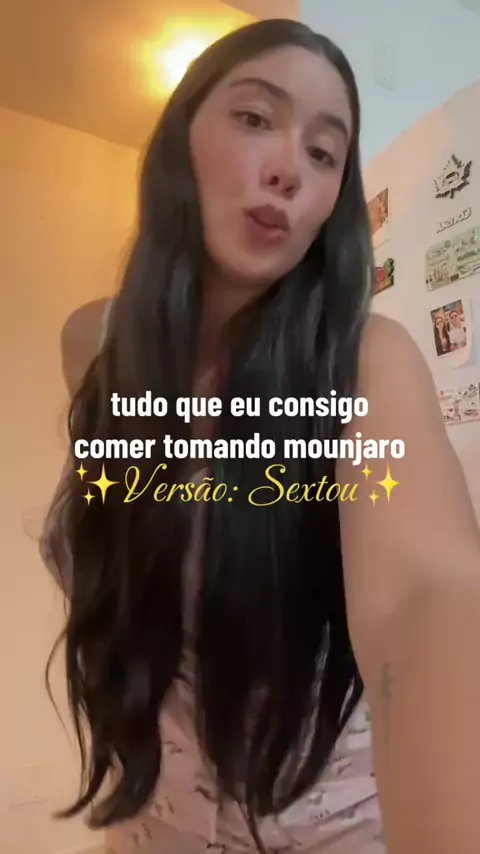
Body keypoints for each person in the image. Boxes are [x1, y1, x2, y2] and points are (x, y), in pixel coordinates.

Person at [41, 18, 480, 854]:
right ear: (178, 144)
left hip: (334, 832)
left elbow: (426, 600)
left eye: (324, 153)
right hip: (149, 824)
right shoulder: (92, 346)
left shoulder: (367, 361)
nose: (289, 168)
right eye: (254, 118)